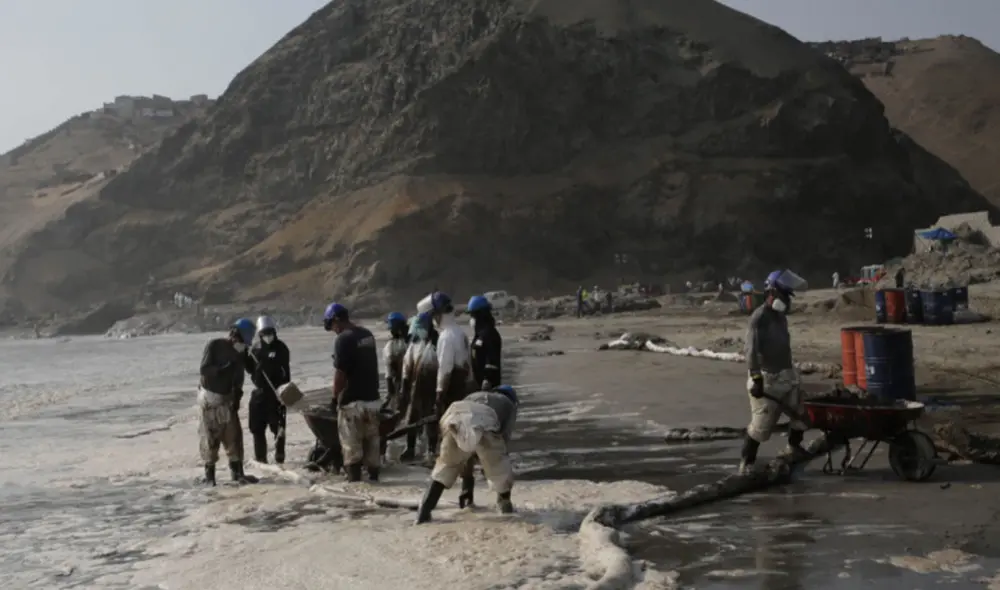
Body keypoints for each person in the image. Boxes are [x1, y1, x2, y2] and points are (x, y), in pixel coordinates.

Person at [416, 385, 519, 524]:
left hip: (453, 416)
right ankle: (506, 515)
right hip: (485, 421)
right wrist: (489, 468)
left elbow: (466, 445)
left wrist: (467, 486)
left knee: (444, 470)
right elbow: (501, 444)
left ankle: (422, 516)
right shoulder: (508, 404)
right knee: (501, 473)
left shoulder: (475, 395)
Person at [740, 270, 810, 475]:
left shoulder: (780, 317)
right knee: (760, 427)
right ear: (771, 294)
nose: (786, 301)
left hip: (787, 374)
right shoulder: (758, 319)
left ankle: (793, 448)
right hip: (767, 378)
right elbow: (750, 351)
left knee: (800, 414)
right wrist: (756, 378)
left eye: (788, 296)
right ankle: (746, 465)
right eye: (783, 296)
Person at [324, 302, 382, 482]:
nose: (334, 331)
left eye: (332, 326)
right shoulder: (367, 335)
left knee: (352, 453)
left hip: (352, 405)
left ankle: (356, 492)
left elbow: (340, 374)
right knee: (373, 451)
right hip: (373, 402)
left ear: (336, 321)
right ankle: (375, 483)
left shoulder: (343, 339)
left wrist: (334, 400)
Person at [197, 318, 259, 485]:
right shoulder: (215, 345)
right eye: (240, 340)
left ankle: (238, 474)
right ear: (233, 334)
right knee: (210, 439)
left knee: (234, 438)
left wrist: (237, 396)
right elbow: (204, 369)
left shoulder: (241, 353)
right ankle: (210, 477)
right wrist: (223, 368)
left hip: (228, 400)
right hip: (210, 400)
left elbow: (242, 375)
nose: (240, 344)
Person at [418, 292, 471, 423]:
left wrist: (439, 396)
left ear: (437, 315)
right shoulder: (460, 332)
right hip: (464, 388)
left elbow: (445, 370)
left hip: (453, 390)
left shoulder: (446, 336)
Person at [245, 315, 291, 465]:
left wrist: (284, 394)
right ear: (260, 334)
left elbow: (286, 373)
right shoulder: (255, 350)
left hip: (277, 394)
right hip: (260, 394)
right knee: (257, 429)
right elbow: (250, 370)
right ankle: (261, 459)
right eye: (264, 333)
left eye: (270, 332)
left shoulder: (282, 348)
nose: (267, 336)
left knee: (278, 429)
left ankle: (280, 457)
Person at [399, 313, 439, 462]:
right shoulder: (415, 345)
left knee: (431, 420)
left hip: (432, 388)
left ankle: (431, 450)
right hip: (415, 389)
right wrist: (404, 390)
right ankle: (410, 448)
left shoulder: (437, 344)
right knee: (412, 419)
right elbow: (406, 368)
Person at [467, 295, 502, 390]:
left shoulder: (489, 334)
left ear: (480, 315)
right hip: (478, 384)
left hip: (488, 386)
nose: (471, 319)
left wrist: (487, 379)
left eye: (472, 315)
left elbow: (492, 358)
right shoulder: (480, 334)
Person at [383, 312, 410, 412]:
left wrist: (389, 396)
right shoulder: (411, 343)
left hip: (399, 387)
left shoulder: (390, 346)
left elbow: (389, 375)